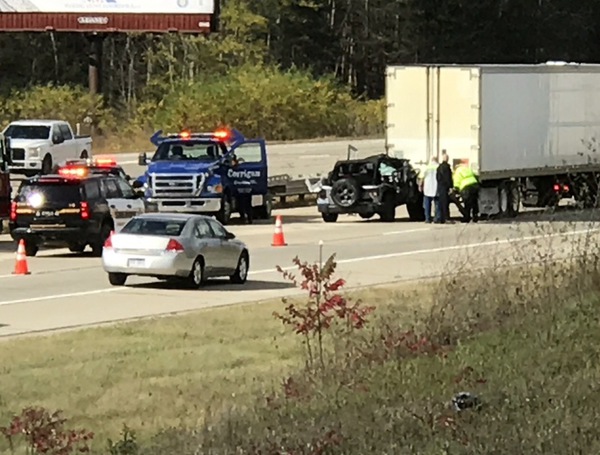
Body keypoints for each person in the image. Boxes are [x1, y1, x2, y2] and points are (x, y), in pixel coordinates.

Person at [420, 156, 441, 223]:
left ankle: (427, 218)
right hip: (436, 187)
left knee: (427, 204)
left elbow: (421, 177)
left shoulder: (426, 167)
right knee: (437, 203)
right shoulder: (439, 167)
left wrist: (420, 186)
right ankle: (437, 218)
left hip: (427, 187)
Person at [436, 151, 453, 224]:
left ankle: (440, 218)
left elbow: (437, 177)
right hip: (444, 187)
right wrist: (450, 187)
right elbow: (448, 178)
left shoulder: (439, 167)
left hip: (440, 186)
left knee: (441, 202)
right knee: (445, 203)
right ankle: (446, 218)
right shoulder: (446, 167)